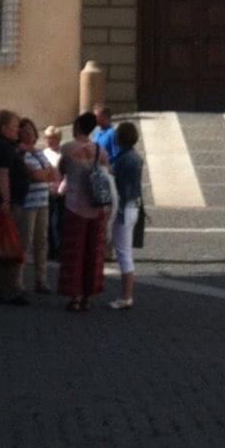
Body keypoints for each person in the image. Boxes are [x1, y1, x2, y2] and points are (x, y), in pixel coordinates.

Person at [57, 113, 108, 312]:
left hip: (74, 206)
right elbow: (106, 174)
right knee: (93, 254)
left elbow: (60, 171)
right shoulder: (99, 150)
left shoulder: (67, 148)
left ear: (77, 125)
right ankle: (88, 296)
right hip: (96, 207)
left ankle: (74, 297)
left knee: (74, 254)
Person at [0, 109, 29, 306]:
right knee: (10, 247)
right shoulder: (2, 147)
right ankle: (10, 290)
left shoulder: (7, 146)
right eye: (14, 126)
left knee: (1, 248)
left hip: (4, 202)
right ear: (4, 128)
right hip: (6, 204)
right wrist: (6, 202)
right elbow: (2, 175)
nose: (17, 130)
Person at [16, 117, 55, 296]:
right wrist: (44, 173)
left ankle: (41, 280)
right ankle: (18, 281)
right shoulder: (19, 153)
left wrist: (44, 172)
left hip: (43, 202)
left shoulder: (39, 152)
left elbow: (53, 174)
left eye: (31, 130)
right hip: (28, 203)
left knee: (42, 242)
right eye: (25, 131)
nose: (29, 133)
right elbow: (36, 175)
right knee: (25, 241)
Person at [109, 120, 143, 310]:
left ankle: (126, 296)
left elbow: (120, 188)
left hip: (124, 208)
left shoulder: (124, 159)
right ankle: (126, 295)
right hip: (132, 207)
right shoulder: (134, 156)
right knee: (125, 251)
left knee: (123, 253)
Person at [42, 123, 66, 261]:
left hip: (60, 192)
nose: (49, 141)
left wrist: (61, 188)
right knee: (47, 223)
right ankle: (49, 250)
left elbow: (67, 173)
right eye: (47, 138)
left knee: (58, 222)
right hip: (47, 191)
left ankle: (59, 250)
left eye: (52, 138)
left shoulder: (63, 154)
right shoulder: (44, 154)